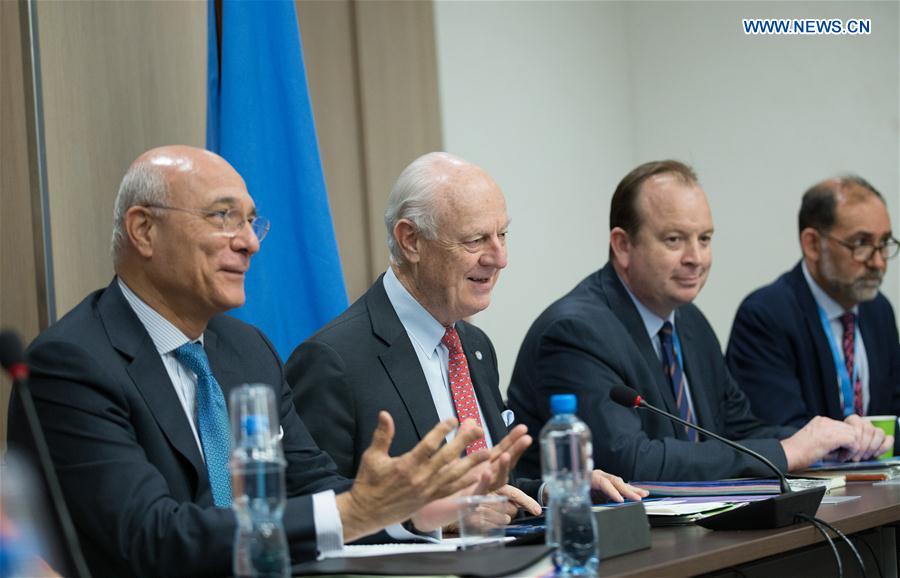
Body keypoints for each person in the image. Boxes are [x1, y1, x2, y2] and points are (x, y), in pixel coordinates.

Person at [6, 146, 528, 578]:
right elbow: (151, 539)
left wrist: (408, 503)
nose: (250, 243)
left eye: (253, 221)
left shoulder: (246, 349)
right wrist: (356, 509)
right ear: (143, 230)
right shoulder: (71, 365)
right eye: (222, 217)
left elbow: (311, 484)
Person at [287, 152, 644, 512]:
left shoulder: (474, 346)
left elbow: (490, 489)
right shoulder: (334, 360)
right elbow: (316, 507)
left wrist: (553, 491)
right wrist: (432, 519)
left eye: (502, 234)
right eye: (476, 240)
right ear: (411, 240)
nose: (499, 258)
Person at [507, 160, 888, 482]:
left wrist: (827, 440)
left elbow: (739, 431)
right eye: (675, 240)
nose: (696, 258)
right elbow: (630, 462)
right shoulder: (576, 332)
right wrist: (787, 452)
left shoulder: (689, 322)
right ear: (623, 246)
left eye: (704, 239)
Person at [727, 176, 899, 452]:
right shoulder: (765, 315)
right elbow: (774, 431)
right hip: (814, 487)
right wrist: (852, 440)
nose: (878, 262)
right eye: (861, 243)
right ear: (812, 244)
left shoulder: (879, 310)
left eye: (884, 243)